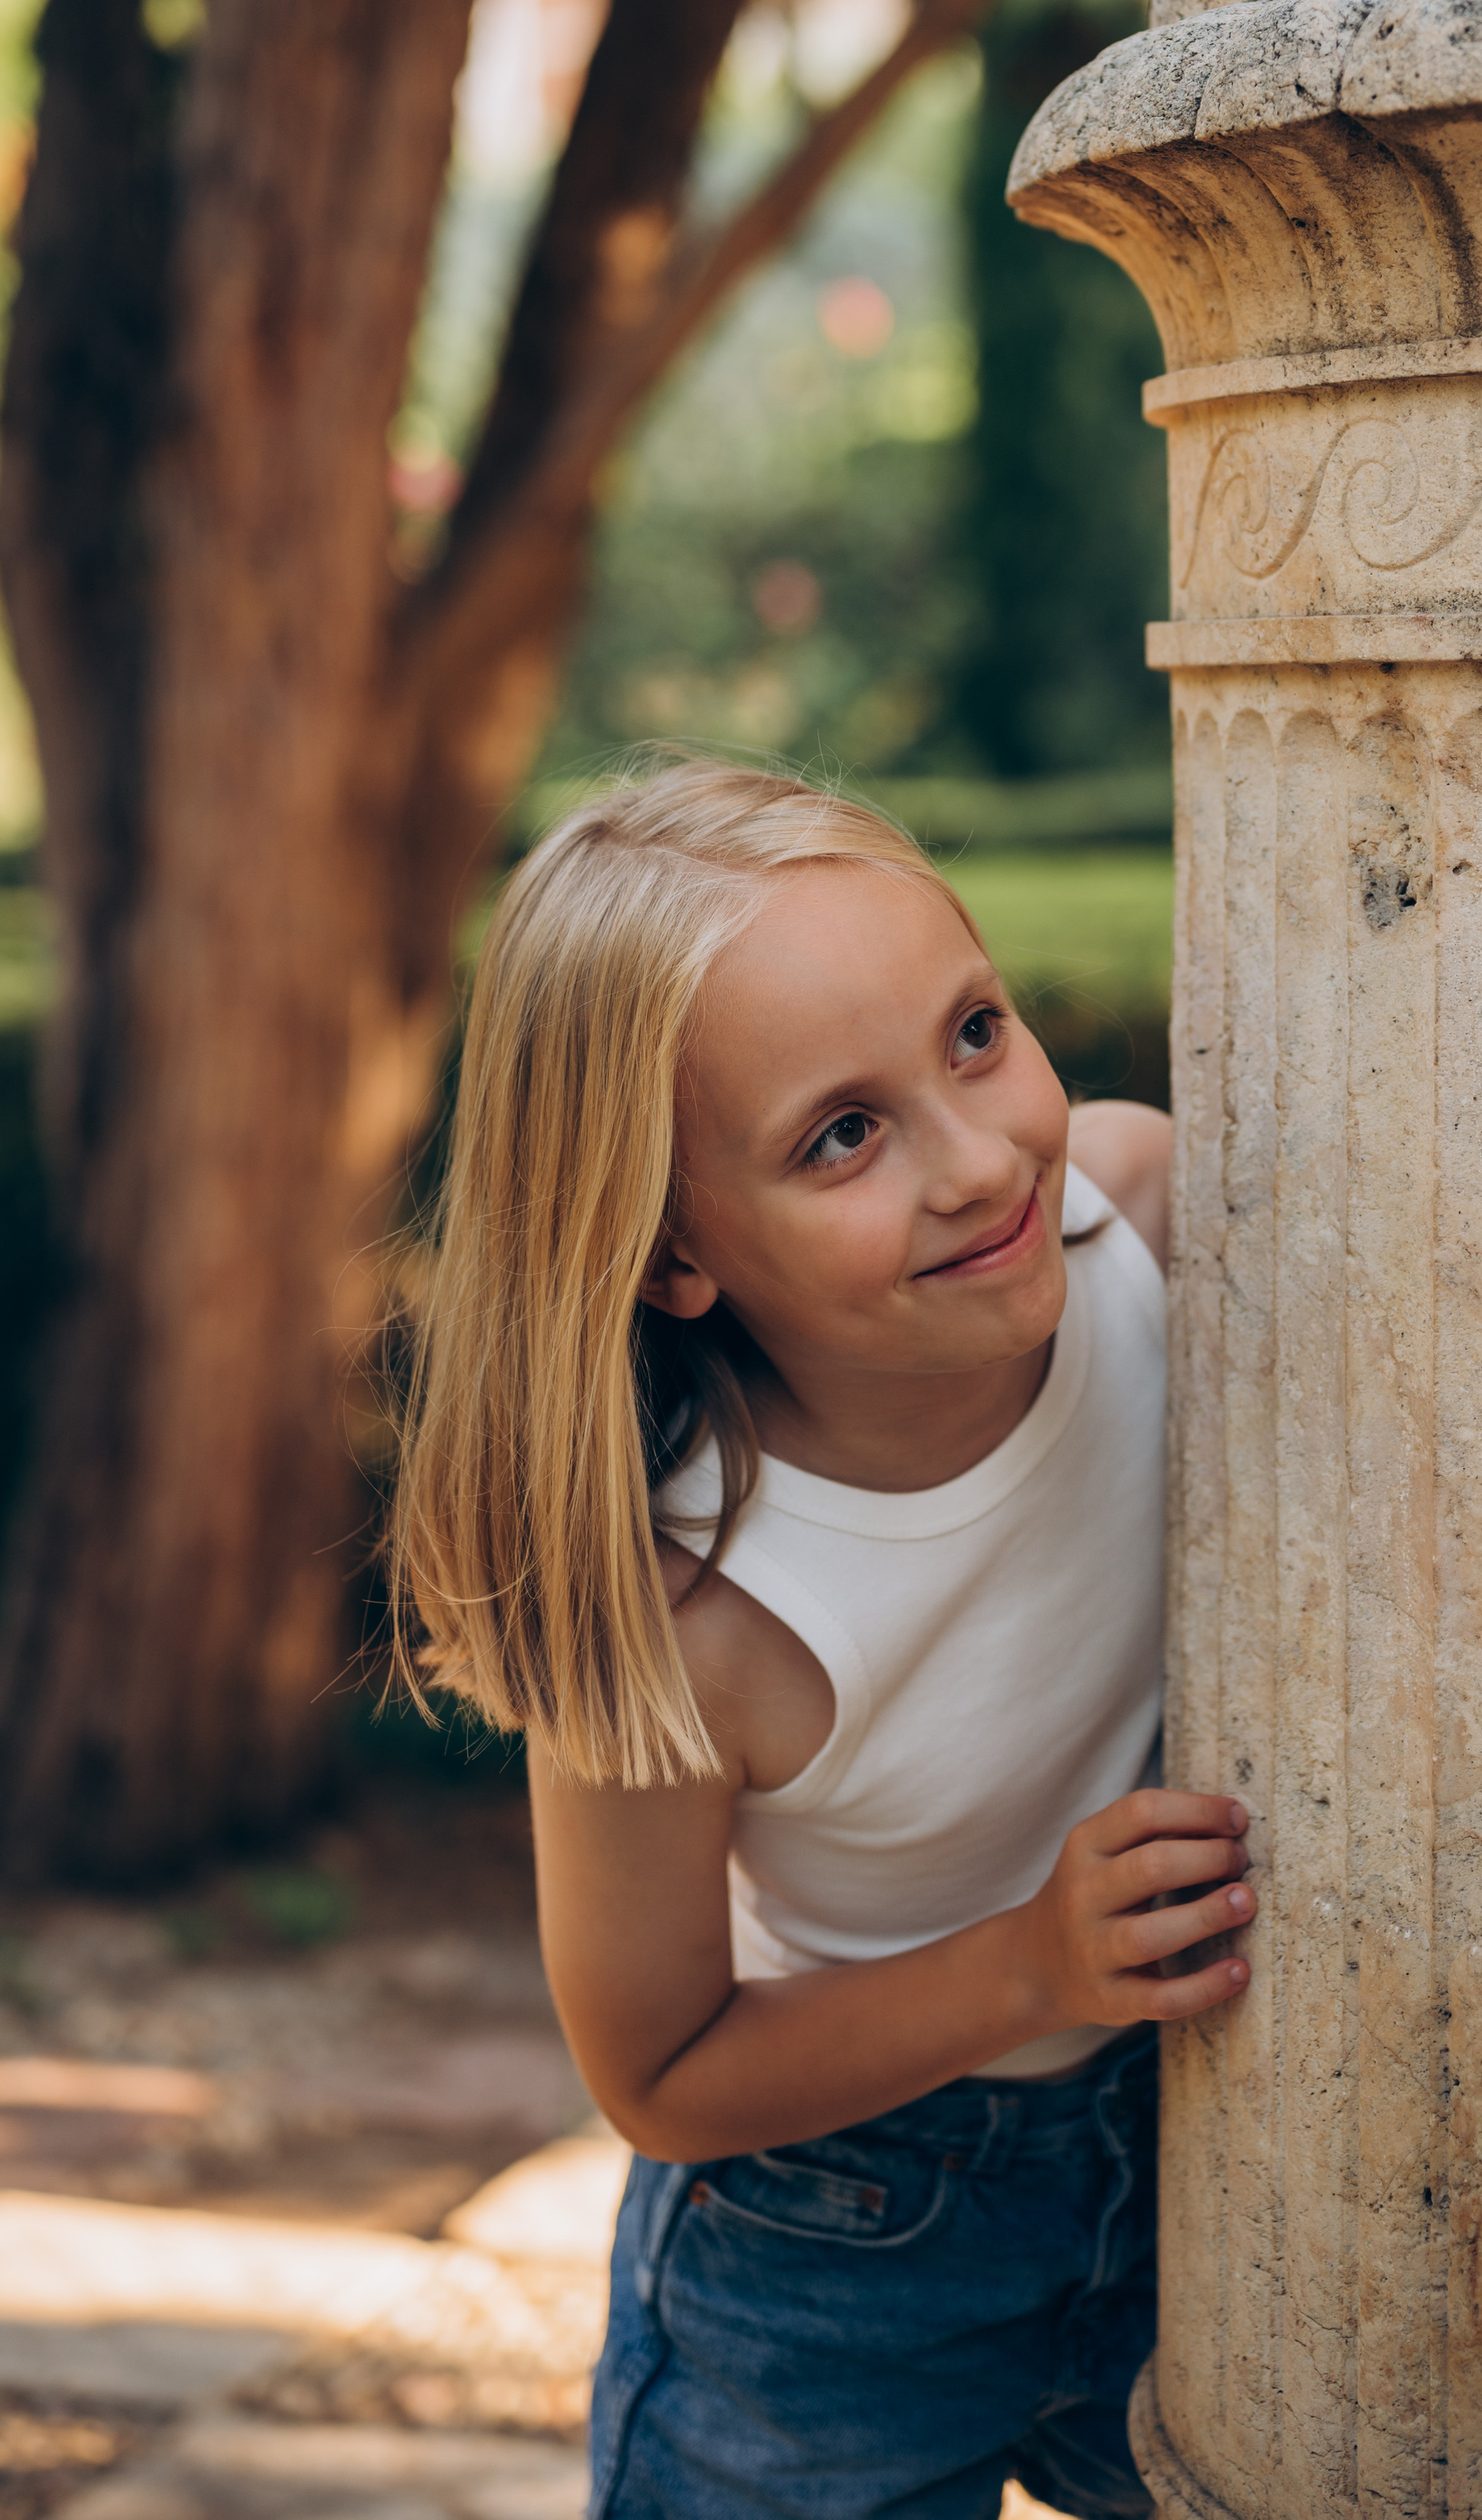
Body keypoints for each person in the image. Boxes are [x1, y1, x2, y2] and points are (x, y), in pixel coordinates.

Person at [390, 760, 1254, 2520]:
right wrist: (1031, 1968)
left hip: (1206, 2135)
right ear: (671, 1252)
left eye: (976, 1034)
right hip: (829, 2241)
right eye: (842, 1136)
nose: (981, 1161)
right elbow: (660, 2071)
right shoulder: (694, 1618)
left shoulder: (1149, 1229)